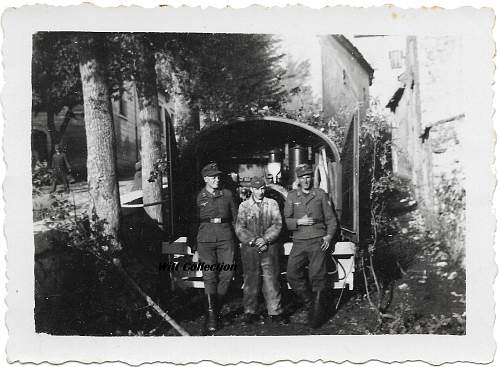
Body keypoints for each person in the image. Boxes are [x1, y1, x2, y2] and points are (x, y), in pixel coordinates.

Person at [284, 163, 337, 328]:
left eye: (308, 177)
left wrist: (328, 237)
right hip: (299, 242)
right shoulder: (292, 196)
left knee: (317, 276)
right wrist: (299, 221)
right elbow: (285, 221)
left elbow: (331, 219)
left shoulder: (320, 194)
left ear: (312, 178)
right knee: (292, 274)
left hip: (317, 241)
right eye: (303, 177)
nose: (306, 180)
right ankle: (310, 302)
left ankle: (316, 318)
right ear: (298, 179)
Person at [235, 177, 288, 325]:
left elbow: (277, 224)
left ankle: (275, 311)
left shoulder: (272, 204)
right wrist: (253, 241)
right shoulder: (244, 206)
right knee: (250, 279)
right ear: (251, 189)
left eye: (262, 188)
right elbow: (240, 228)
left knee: (271, 279)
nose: (260, 191)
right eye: (257, 189)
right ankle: (250, 311)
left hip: (269, 247)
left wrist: (265, 239)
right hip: (250, 248)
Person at [195, 162, 238, 333]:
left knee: (227, 273)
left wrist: (238, 236)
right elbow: (192, 220)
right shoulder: (199, 196)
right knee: (209, 275)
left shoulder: (227, 194)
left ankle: (214, 308)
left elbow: (235, 218)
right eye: (213, 177)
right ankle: (212, 315)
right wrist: (193, 241)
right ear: (206, 179)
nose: (217, 179)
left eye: (218, 176)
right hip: (205, 238)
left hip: (225, 236)